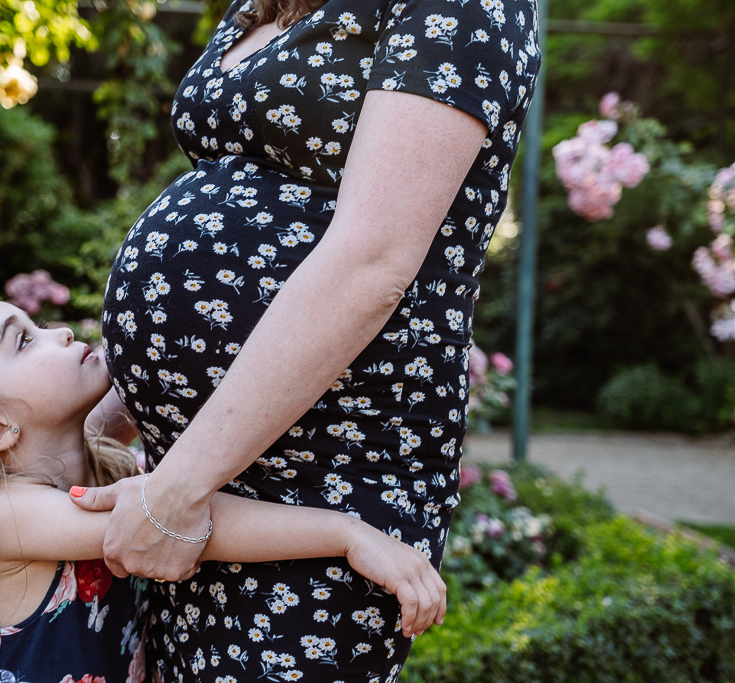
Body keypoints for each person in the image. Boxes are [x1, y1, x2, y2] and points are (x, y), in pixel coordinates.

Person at [80, 0, 542, 680]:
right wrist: (109, 419)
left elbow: (373, 259)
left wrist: (174, 486)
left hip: (329, 459)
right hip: (200, 460)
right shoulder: (262, 6)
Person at [0, 301, 446, 683]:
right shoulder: (3, 517)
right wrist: (346, 534)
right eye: (22, 340)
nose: (56, 331)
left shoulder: (93, 472)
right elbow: (186, 523)